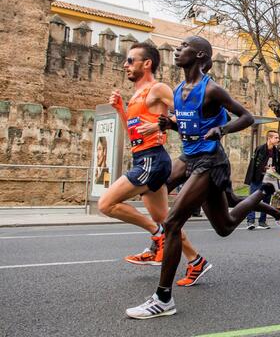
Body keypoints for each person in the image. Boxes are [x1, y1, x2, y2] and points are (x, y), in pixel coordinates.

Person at [125, 36, 268, 319]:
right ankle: (262, 193)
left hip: (210, 161)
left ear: (200, 55)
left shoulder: (211, 89)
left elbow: (247, 117)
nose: (177, 50)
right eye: (177, 47)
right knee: (224, 226)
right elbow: (190, 128)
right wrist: (170, 125)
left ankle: (163, 298)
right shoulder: (179, 90)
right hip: (189, 157)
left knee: (173, 221)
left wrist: (222, 130)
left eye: (184, 47)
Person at [99, 41, 176, 268]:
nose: (126, 65)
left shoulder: (158, 89)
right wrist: (120, 110)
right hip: (142, 156)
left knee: (106, 204)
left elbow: (187, 116)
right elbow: (132, 135)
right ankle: (196, 260)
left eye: (131, 60)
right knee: (166, 219)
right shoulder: (136, 96)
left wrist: (161, 126)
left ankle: (156, 235)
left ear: (147, 63)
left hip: (152, 158)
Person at [244, 130, 280, 230]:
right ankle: (250, 221)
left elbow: (278, 166)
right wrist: (265, 169)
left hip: (269, 180)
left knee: (266, 200)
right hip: (258, 178)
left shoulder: (276, 152)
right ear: (269, 138)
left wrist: (276, 173)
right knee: (253, 199)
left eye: (278, 138)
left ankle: (262, 221)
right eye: (276, 138)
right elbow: (255, 164)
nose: (278, 140)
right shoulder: (260, 149)